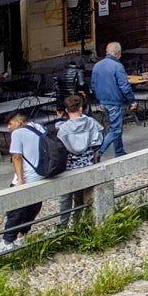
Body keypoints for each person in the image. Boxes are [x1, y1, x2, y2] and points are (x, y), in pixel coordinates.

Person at [0, 112, 45, 254]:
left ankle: (7, 241)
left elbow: (16, 156)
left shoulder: (18, 133)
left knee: (15, 209)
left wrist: (20, 179)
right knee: (33, 206)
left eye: (10, 124)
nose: (8, 127)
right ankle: (22, 235)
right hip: (41, 175)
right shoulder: (39, 127)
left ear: (17, 122)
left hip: (27, 176)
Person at [55, 94, 103, 227]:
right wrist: (95, 162)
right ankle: (77, 224)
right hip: (87, 165)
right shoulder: (91, 123)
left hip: (69, 168)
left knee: (65, 198)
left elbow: (60, 151)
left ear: (66, 110)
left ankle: (63, 225)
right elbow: (96, 147)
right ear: (81, 108)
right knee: (80, 199)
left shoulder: (63, 129)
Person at [89, 41, 135, 158]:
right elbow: (124, 86)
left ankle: (119, 151)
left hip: (103, 101)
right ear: (118, 53)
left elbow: (93, 85)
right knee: (116, 129)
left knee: (115, 126)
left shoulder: (97, 66)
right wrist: (131, 100)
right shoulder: (117, 66)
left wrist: (98, 101)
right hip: (114, 101)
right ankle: (99, 152)